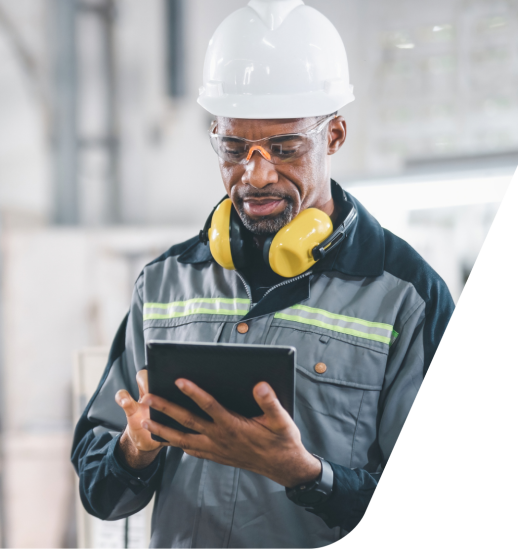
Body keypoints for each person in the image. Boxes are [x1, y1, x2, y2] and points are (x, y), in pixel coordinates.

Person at [71, 0, 454, 548]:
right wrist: (135, 449)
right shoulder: (163, 285)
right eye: (233, 148)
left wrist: (307, 475)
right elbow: (100, 492)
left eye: (283, 148)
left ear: (335, 135)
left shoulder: (406, 299)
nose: (255, 175)